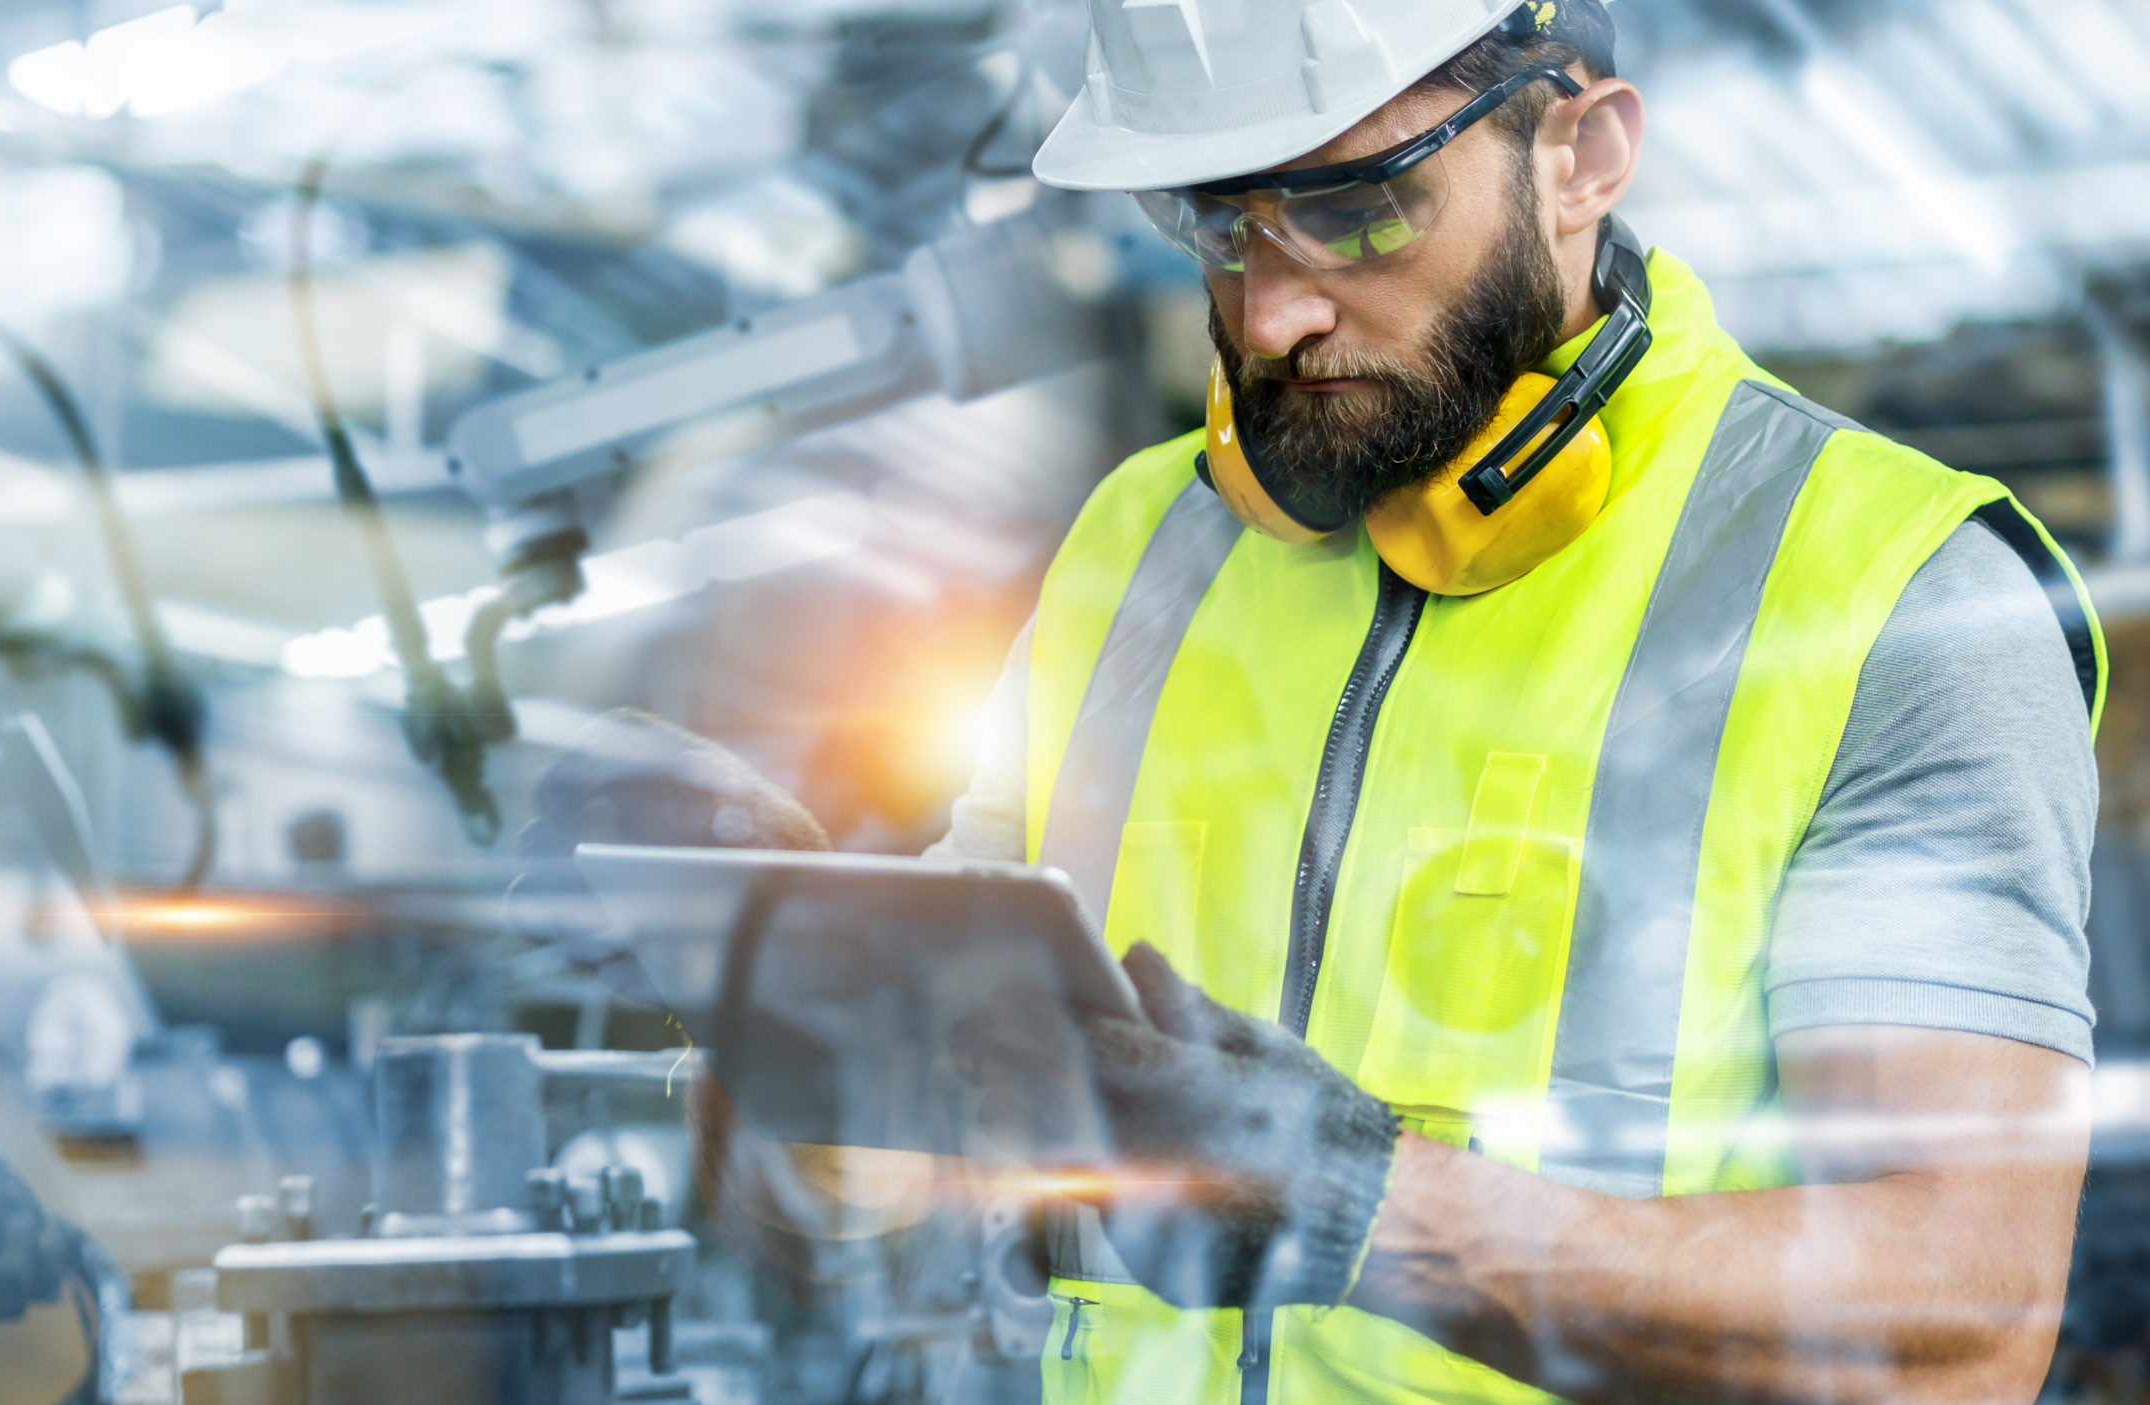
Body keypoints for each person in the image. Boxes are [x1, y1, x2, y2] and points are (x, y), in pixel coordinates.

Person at [900, 0, 2107, 1400]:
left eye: (1358, 213)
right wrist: (754, 959)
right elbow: (920, 1145)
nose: (1273, 314)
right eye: (1221, 226)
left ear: (1582, 155)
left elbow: (1959, 1325)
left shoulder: (1893, 595)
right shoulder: (1138, 545)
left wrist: (1360, 1209)